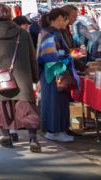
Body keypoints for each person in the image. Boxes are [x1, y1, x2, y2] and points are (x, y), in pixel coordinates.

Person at [0, 4, 41, 153]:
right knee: (27, 108)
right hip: (22, 77)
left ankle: (6, 138)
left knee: (1, 108)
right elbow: (32, 56)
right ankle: (33, 139)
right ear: (10, 15)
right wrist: (35, 76)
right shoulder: (23, 33)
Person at [37, 8, 75, 143]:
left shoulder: (50, 32)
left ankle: (57, 130)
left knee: (58, 102)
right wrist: (65, 63)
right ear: (60, 18)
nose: (68, 23)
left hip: (53, 71)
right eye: (66, 20)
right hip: (53, 72)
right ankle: (54, 131)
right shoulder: (50, 33)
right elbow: (50, 56)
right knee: (54, 102)